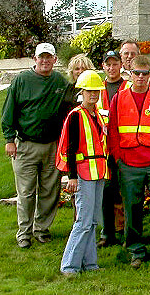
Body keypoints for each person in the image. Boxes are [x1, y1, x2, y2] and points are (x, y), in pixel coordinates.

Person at [106, 55, 150, 267]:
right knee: (132, 207)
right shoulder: (119, 98)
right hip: (129, 162)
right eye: (137, 73)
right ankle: (136, 249)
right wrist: (118, 157)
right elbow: (113, 131)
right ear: (130, 74)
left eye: (145, 74)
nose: (141, 78)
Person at [2, 42, 68, 248]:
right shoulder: (22, 80)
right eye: (42, 57)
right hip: (26, 145)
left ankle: (41, 229)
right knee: (26, 192)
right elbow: (8, 111)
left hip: (52, 146)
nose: (45, 61)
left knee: (50, 190)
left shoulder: (59, 81)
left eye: (49, 57)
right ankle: (24, 233)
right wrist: (9, 139)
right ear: (35, 59)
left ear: (55, 60)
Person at [56, 70, 108, 276]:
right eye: (89, 91)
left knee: (92, 221)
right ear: (82, 92)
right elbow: (70, 148)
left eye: (96, 91)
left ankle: (90, 263)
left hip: (98, 172)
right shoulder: (76, 115)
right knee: (84, 221)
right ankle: (69, 265)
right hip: (84, 173)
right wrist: (72, 177)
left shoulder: (97, 114)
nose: (93, 94)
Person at [97, 50, 127, 248]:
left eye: (115, 63)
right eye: (108, 64)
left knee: (125, 192)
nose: (111, 67)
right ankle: (107, 233)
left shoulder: (129, 86)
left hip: (125, 148)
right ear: (103, 66)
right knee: (106, 192)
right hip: (104, 149)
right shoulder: (97, 89)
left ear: (120, 65)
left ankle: (125, 232)